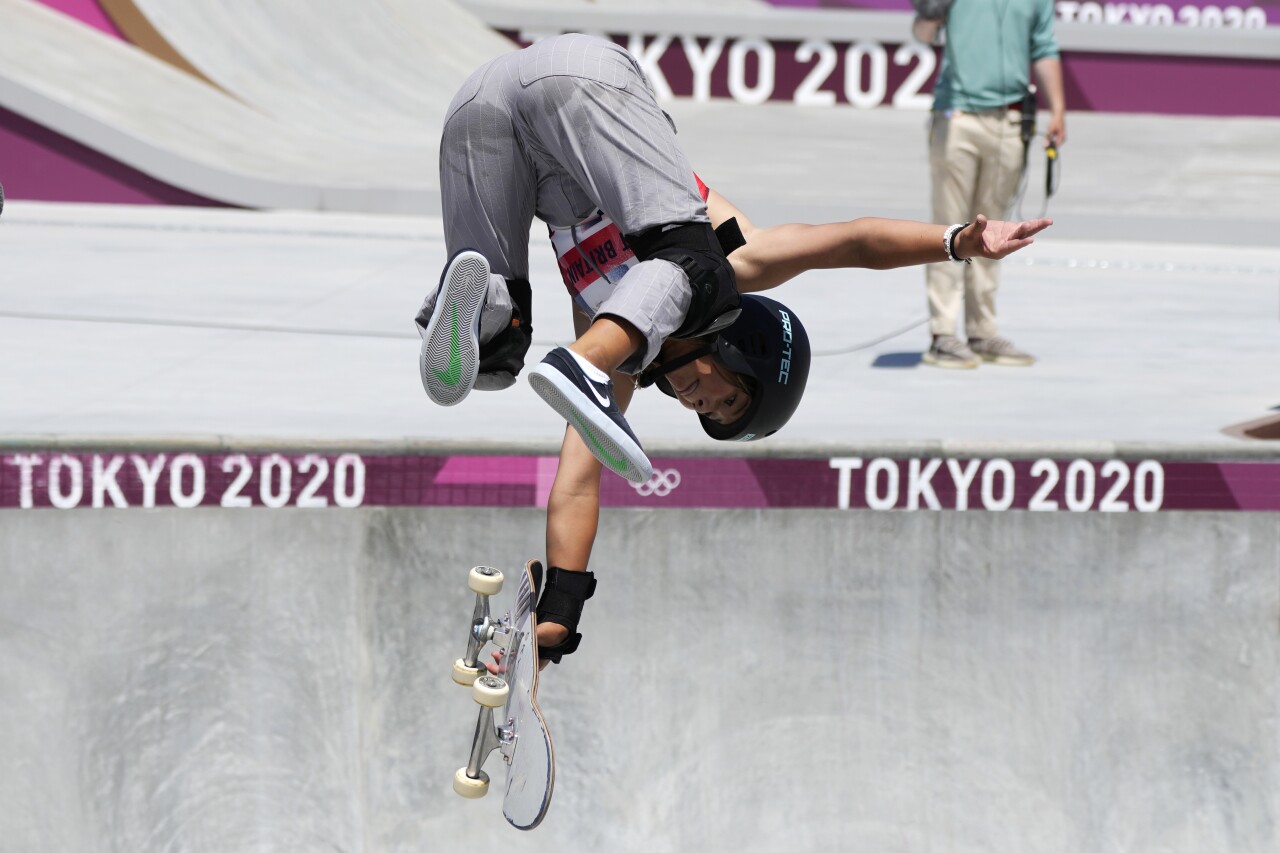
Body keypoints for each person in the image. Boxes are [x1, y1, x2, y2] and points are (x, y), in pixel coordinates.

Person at [421, 33, 1052, 666]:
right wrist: (957, 241)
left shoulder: (618, 345)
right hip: (582, 82)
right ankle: (531, 335)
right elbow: (850, 243)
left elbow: (578, 484)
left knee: (500, 358)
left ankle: (481, 315)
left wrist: (557, 620)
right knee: (694, 264)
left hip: (480, 114)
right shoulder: (739, 260)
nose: (698, 399)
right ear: (741, 348)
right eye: (725, 394)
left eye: (706, 412)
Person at [912, 0, 1066, 369]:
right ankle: (943, 334)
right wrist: (930, 14)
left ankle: (982, 331)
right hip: (958, 115)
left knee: (994, 229)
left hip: (1011, 121)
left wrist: (1058, 109)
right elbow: (923, 34)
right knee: (949, 227)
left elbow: (1044, 47)